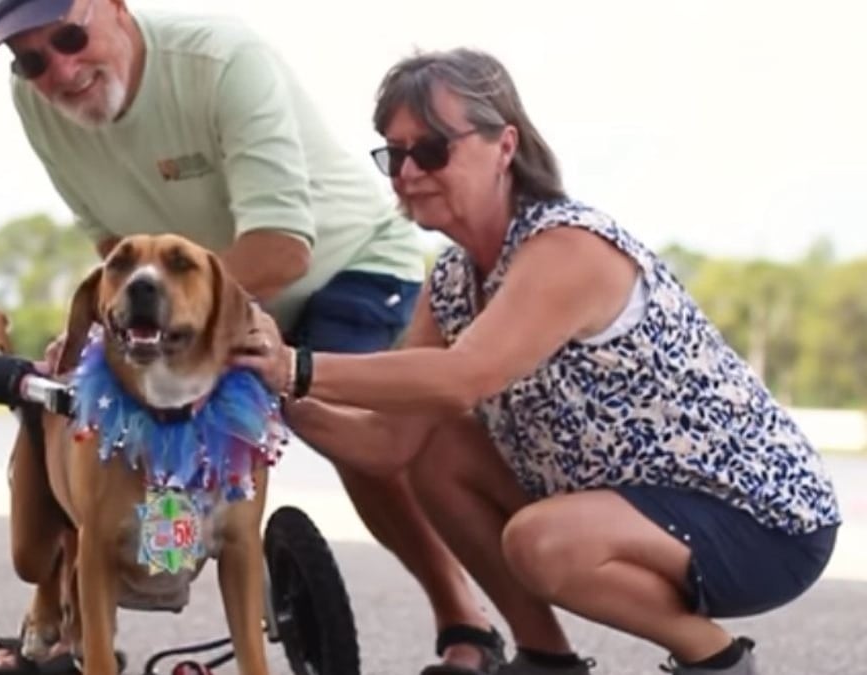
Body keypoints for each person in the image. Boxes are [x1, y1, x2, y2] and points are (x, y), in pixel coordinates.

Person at [232, 47, 842, 675]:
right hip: (634, 508)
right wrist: (263, 388)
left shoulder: (567, 246)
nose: (409, 171)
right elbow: (390, 444)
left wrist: (295, 365)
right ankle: (546, 660)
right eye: (395, 153)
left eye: (433, 149)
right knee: (435, 448)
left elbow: (467, 376)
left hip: (759, 521)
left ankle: (713, 660)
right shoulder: (450, 282)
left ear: (504, 145)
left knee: (538, 543)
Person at [0, 2, 500, 674]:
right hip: (192, 297)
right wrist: (105, 326)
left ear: (113, 9)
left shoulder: (220, 61)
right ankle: (72, 609)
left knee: (352, 434)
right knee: (103, 412)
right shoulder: (37, 99)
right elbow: (114, 240)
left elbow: (282, 249)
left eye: (72, 36)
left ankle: (464, 619)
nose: (61, 68)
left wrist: (195, 328)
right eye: (33, 57)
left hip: (344, 261)